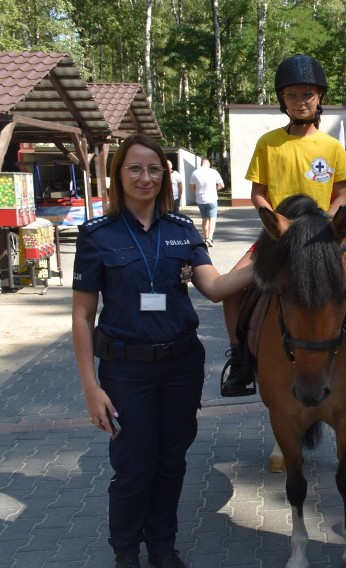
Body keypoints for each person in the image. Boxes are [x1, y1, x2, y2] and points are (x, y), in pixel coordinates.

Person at [71, 135, 253, 568]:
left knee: (171, 462)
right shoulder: (97, 236)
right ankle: (126, 552)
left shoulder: (182, 230)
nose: (145, 177)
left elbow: (214, 288)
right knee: (134, 468)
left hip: (180, 367)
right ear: (118, 175)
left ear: (165, 176)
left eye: (154, 169)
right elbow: (82, 316)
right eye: (134, 168)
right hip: (125, 371)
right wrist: (89, 387)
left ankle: (162, 547)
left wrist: (266, 257)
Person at [218, 53, 346, 397]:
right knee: (229, 289)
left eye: (307, 93)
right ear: (282, 99)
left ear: (319, 96)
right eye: (292, 94)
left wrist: (324, 223)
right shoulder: (269, 143)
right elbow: (258, 193)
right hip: (278, 237)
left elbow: (341, 196)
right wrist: (277, 222)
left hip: (323, 236)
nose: (300, 101)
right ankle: (239, 362)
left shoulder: (332, 146)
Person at [189, 158, 224, 247]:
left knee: (205, 219)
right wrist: (214, 189)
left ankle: (205, 238)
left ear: (201, 164)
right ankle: (210, 238)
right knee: (212, 219)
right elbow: (221, 185)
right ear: (208, 164)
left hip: (200, 200)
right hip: (212, 199)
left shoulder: (195, 173)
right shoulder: (214, 172)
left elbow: (191, 188)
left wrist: (198, 189)